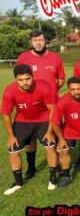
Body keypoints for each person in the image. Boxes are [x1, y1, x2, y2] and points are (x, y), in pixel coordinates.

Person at [17, 29, 65, 181]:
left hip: (50, 106)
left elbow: (61, 78)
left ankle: (56, 167)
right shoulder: (23, 57)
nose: (39, 43)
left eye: (41, 40)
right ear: (30, 42)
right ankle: (31, 169)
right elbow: (19, 79)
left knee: (53, 136)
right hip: (31, 105)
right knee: (30, 139)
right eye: (35, 40)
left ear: (46, 41)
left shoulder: (54, 57)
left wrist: (51, 94)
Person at [2, 64, 58, 195]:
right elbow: (5, 114)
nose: (25, 83)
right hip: (23, 121)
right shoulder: (9, 91)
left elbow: (52, 110)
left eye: (27, 79)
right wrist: (11, 136)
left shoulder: (43, 87)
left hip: (43, 119)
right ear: (16, 79)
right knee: (13, 149)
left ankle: (53, 179)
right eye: (20, 80)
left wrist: (50, 132)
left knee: (50, 146)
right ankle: (18, 182)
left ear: (32, 77)